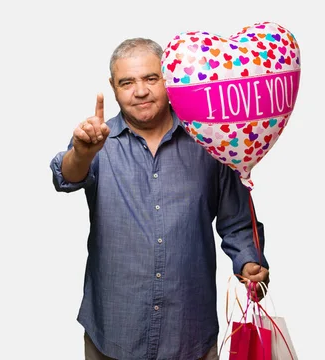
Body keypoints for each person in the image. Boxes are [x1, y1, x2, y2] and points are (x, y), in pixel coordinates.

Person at [49, 37, 270, 360]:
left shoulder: (209, 141)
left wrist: (249, 262)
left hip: (189, 334)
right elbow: (65, 176)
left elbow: (236, 221)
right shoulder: (96, 141)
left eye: (151, 78)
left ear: (169, 79)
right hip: (113, 334)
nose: (140, 91)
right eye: (127, 82)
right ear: (113, 87)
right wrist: (81, 153)